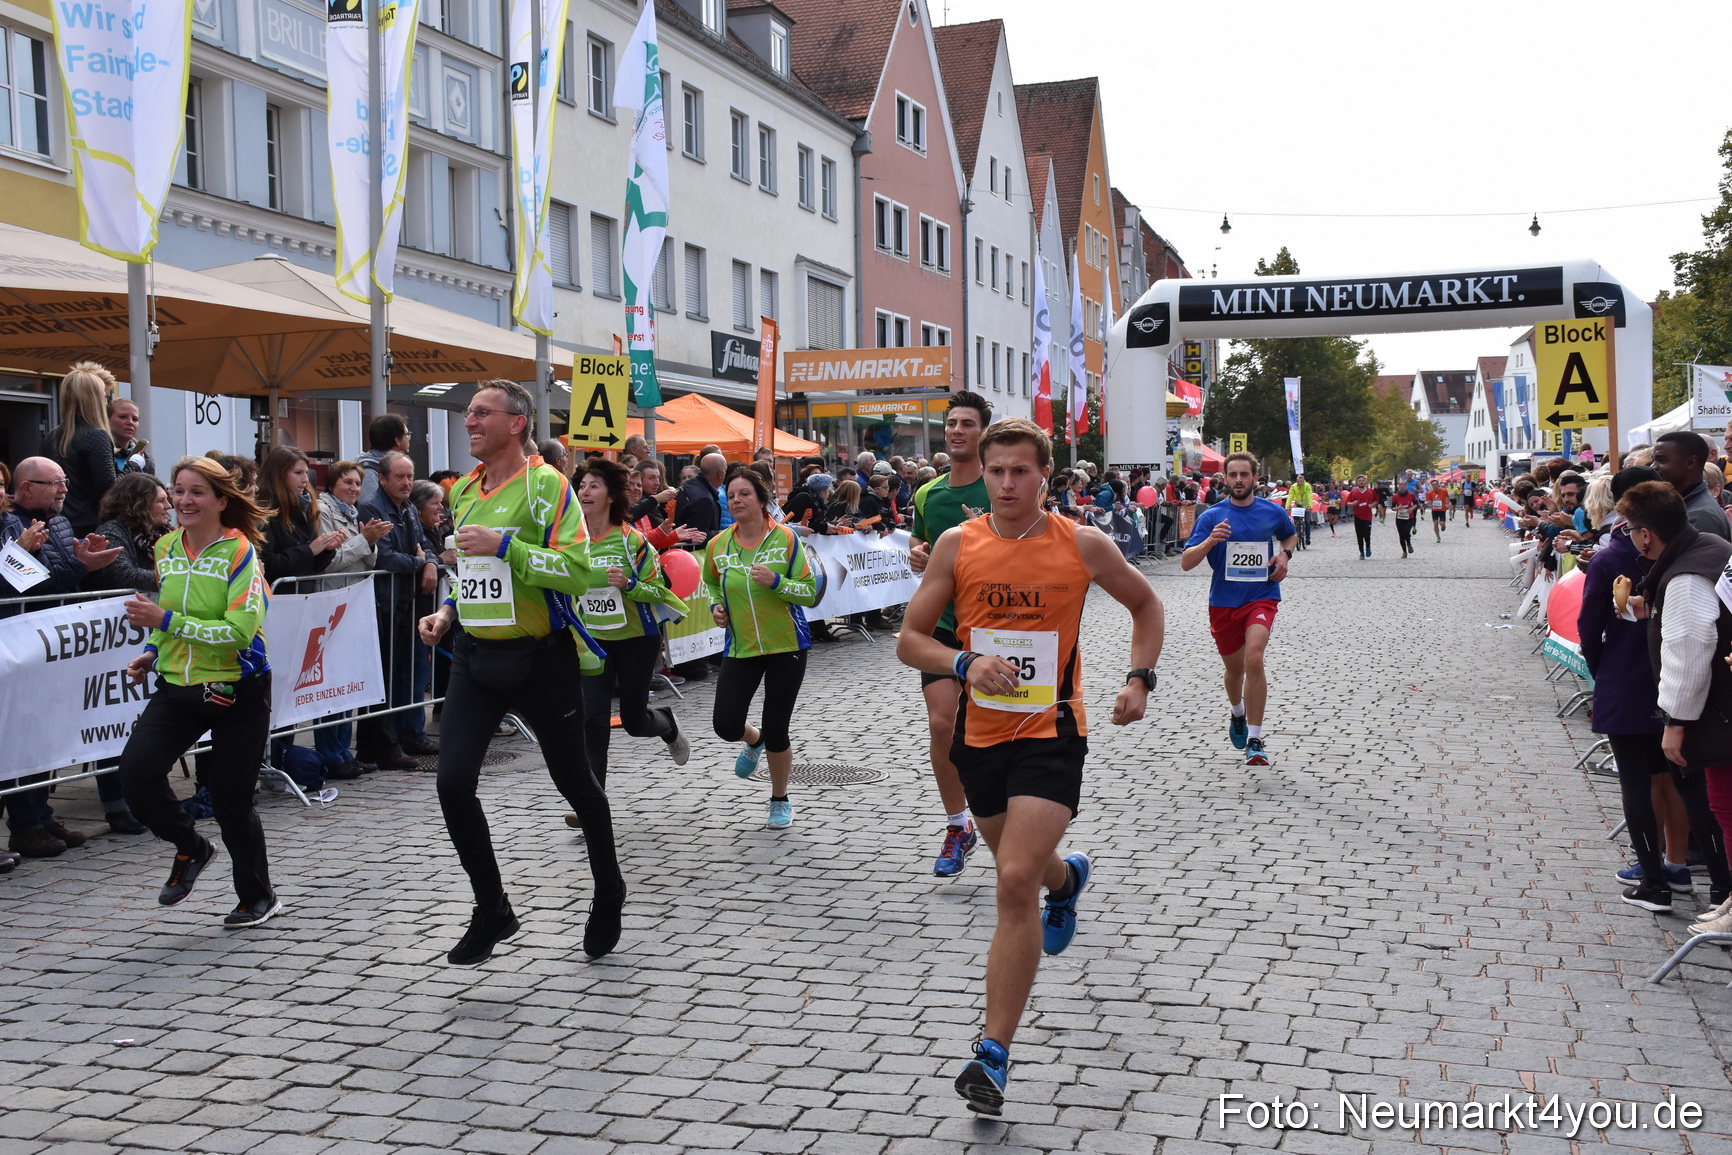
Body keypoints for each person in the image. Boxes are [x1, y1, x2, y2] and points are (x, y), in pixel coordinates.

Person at [896, 417, 1164, 1115]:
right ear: (981, 474)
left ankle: (992, 1053)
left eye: (1021, 471)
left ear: (1047, 475)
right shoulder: (958, 544)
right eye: (996, 471)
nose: (1008, 483)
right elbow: (909, 640)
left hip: (1053, 732)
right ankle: (1067, 877)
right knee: (1027, 867)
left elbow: (1146, 603)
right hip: (981, 738)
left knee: (1012, 879)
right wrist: (963, 661)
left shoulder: (1082, 543)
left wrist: (1139, 678)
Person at [416, 379, 625, 964]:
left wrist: (507, 544)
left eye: (482, 412)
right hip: (476, 660)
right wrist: (448, 614)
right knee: (452, 782)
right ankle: (493, 909)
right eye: (468, 413)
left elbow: (579, 573)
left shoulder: (546, 486)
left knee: (576, 783)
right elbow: (474, 578)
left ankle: (608, 889)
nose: (469, 421)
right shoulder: (462, 493)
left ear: (517, 422)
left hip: (540, 659)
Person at [117, 456, 281, 927]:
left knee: (231, 800)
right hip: (179, 684)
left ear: (220, 501)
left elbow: (239, 631)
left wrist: (162, 622)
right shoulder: (166, 547)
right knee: (136, 774)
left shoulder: (241, 552)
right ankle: (192, 848)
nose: (183, 501)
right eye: (178, 491)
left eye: (196, 492)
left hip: (238, 688)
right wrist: (152, 650)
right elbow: (171, 613)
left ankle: (257, 897)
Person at [1580, 467, 1730, 915]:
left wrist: (1676, 722)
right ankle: (1719, 888)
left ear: (1645, 535)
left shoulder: (1679, 575)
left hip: (1677, 700)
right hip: (1702, 699)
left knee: (1654, 787)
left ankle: (1657, 883)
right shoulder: (1714, 546)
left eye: (1630, 529)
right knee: (1698, 794)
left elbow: (1689, 646)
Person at [704, 466, 824, 830]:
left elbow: (810, 593)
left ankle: (779, 798)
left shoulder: (786, 539)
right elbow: (711, 584)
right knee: (725, 724)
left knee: (778, 725)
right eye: (732, 494)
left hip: (787, 644)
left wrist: (776, 582)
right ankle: (752, 740)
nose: (737, 500)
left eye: (744, 494)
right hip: (741, 646)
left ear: (761, 499)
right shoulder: (718, 545)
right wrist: (715, 607)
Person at [908, 391, 993, 876]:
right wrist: (918, 555)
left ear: (982, 431)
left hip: (998, 629)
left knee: (987, 731)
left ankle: (1001, 814)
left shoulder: (1003, 487)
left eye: (967, 423)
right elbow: (920, 545)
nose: (957, 430)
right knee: (943, 725)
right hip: (943, 627)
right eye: (951, 423)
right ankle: (958, 825)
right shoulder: (928, 492)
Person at [572, 457, 690, 792]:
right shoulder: (571, 540)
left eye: (594, 485)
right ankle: (591, 806)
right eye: (582, 485)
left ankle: (666, 723)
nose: (585, 491)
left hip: (637, 639)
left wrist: (628, 584)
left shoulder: (630, 540)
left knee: (635, 722)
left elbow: (659, 589)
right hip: (594, 641)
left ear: (610, 496)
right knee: (592, 722)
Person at [1181, 451, 1297, 768]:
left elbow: (1289, 534)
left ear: (1255, 478)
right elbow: (1186, 563)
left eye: (1244, 475)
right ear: (1225, 478)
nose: (1239, 480)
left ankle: (1255, 741)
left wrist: (1285, 555)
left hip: (1262, 595)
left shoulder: (1271, 512)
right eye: (1233, 475)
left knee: (1254, 656)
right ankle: (1238, 713)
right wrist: (1209, 542)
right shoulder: (1211, 517)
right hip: (1223, 603)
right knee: (1234, 671)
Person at [358, 452, 438, 767]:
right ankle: (380, 746)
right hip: (382, 604)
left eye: (409, 476)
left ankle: (401, 738)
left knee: (403, 674)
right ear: (382, 478)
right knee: (382, 679)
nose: (406, 483)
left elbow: (426, 544)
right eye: (399, 477)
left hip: (406, 602)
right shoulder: (372, 508)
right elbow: (385, 558)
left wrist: (429, 562)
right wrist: (420, 562)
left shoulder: (408, 509)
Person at [314, 461, 391, 780]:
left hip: (351, 600)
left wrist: (368, 541)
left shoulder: (352, 511)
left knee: (345, 681)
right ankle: (330, 753)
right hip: (329, 601)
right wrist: (364, 541)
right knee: (330, 681)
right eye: (348, 482)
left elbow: (368, 557)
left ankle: (344, 750)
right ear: (332, 484)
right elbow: (329, 561)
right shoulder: (322, 510)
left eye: (358, 484)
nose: (354, 489)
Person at [44, 362, 120, 537]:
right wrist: (132, 466)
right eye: (104, 397)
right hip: (89, 528)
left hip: (58, 526)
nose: (107, 402)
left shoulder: (51, 437)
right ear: (93, 399)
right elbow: (110, 491)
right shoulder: (96, 435)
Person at [259, 447, 347, 585]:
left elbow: (314, 566)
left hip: (303, 598)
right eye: (298, 473)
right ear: (279, 475)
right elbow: (265, 563)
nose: (305, 479)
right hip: (277, 599)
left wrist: (326, 550)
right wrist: (309, 550)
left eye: (306, 472)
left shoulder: (306, 505)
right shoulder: (265, 510)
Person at [89, 471, 172, 593]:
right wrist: (175, 578)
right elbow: (124, 575)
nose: (168, 506)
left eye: (167, 500)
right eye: (161, 501)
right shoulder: (112, 531)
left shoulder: (167, 533)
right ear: (139, 505)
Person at [1653, 431, 1732, 542]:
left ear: (1690, 463)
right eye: (1654, 460)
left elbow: (1694, 559)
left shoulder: (1701, 516)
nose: (1654, 467)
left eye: (1661, 460)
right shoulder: (1687, 506)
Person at [357, 412, 410, 508]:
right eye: (407, 434)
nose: (406, 482)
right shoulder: (369, 470)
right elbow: (370, 507)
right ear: (397, 440)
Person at [674, 452, 726, 543]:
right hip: (693, 553)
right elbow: (699, 533)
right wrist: (722, 534)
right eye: (726, 470)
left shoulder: (690, 485)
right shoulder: (704, 499)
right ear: (720, 474)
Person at [108, 396, 153, 475]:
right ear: (108, 420)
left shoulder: (146, 459)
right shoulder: (103, 452)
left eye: (135, 419)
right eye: (123, 417)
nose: (130, 422)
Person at [1345, 474, 1376, 559]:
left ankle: (1368, 547)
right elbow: (1347, 502)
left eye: (1362, 480)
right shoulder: (1353, 492)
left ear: (1365, 482)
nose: (1361, 482)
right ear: (1356, 483)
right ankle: (1361, 552)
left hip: (1367, 516)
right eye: (1359, 481)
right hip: (1358, 516)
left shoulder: (1371, 491)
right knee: (1359, 535)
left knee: (1367, 534)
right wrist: (1353, 503)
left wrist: (1372, 505)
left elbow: (1376, 500)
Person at [1390, 484, 1418, 558]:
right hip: (1399, 518)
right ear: (1399, 486)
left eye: (1403, 485)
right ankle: (1404, 552)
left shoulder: (1411, 495)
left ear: (1406, 486)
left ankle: (1408, 544)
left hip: (1409, 517)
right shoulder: (1395, 496)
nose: (1402, 486)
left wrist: (1411, 509)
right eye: (1400, 485)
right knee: (1401, 535)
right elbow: (1392, 507)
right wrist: (1398, 508)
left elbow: (1416, 504)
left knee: (1406, 532)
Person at [1286, 475, 1313, 549]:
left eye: (1301, 481)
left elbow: (1309, 495)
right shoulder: (1294, 486)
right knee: (1296, 521)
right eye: (1298, 481)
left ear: (1303, 481)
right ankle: (1296, 535)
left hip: (1306, 505)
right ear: (1296, 481)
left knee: (1307, 521)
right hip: (1297, 505)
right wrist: (1287, 506)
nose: (1299, 483)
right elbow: (1290, 496)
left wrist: (1310, 506)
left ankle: (1307, 538)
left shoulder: (1307, 486)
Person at [1426, 478, 1449, 543]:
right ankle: (1438, 537)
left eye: (1436, 484)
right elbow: (1428, 500)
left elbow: (1447, 497)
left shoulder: (1444, 491)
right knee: (1435, 523)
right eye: (1433, 485)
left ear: (1438, 484)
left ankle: (1443, 525)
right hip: (1434, 510)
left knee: (1441, 523)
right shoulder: (1430, 493)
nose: (1435, 486)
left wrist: (1447, 504)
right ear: (1431, 486)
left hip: (1442, 509)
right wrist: (1427, 503)